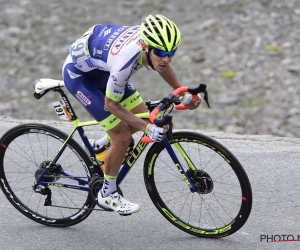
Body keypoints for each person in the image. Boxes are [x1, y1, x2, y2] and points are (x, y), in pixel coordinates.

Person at [62, 14, 201, 215]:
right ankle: (107, 194)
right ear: (146, 47)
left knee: (141, 117)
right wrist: (147, 129)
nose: (167, 58)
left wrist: (183, 92)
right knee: (123, 136)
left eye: (172, 53)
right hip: (81, 77)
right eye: (161, 52)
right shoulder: (125, 61)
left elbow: (162, 65)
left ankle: (101, 146)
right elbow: (111, 105)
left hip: (105, 70)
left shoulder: (151, 46)